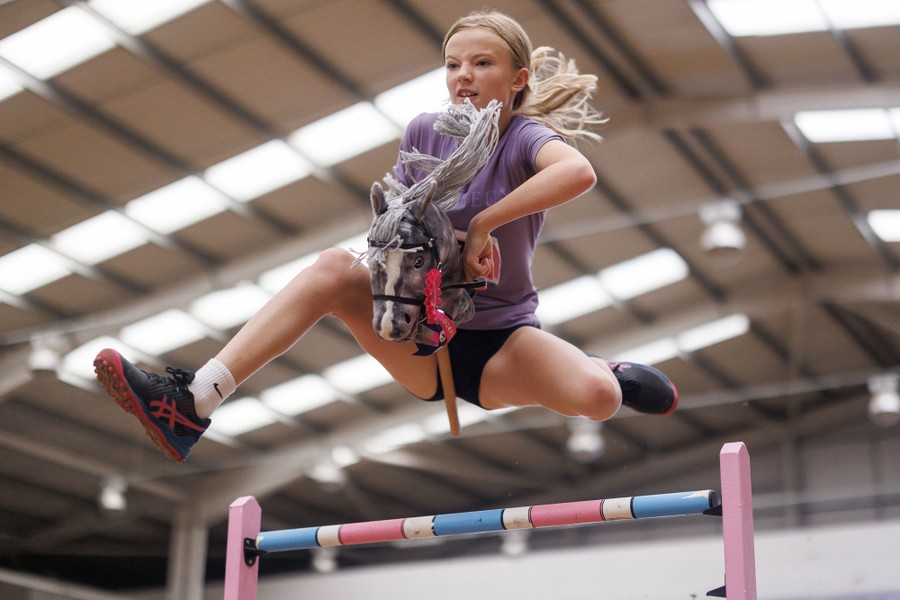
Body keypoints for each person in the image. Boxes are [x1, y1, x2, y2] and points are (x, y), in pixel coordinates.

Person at [93, 10, 677, 464]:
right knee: (330, 265)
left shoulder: (524, 137)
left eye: (482, 63)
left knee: (598, 401)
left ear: (518, 79)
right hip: (422, 336)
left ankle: (605, 370)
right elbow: (391, 227)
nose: (463, 77)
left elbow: (578, 172)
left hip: (499, 341)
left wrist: (482, 223)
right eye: (453, 64)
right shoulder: (425, 130)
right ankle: (195, 401)